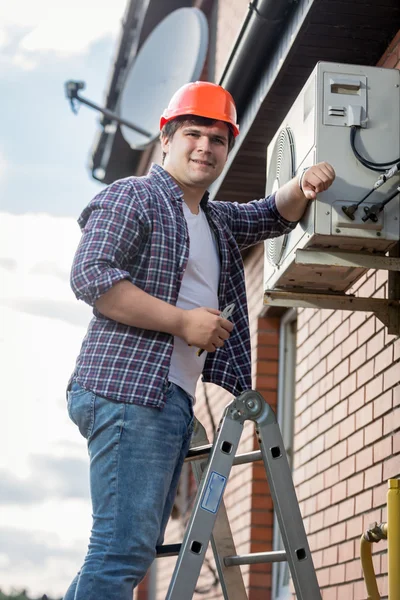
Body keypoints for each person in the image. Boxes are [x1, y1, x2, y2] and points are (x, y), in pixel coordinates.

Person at [64, 81, 335, 599]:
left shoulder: (210, 218)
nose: (205, 148)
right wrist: (184, 323)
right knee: (120, 551)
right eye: (194, 133)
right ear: (166, 136)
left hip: (164, 397)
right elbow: (92, 276)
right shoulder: (136, 195)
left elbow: (269, 214)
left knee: (126, 551)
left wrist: (305, 183)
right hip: (129, 390)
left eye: (218, 139)